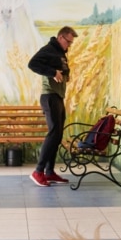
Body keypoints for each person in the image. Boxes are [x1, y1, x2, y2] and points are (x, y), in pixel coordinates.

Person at [27, 26, 78, 186]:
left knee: (57, 135)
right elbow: (32, 64)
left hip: (58, 96)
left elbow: (61, 68)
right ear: (61, 37)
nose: (69, 45)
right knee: (53, 133)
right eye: (68, 42)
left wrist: (65, 75)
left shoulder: (59, 52)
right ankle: (38, 171)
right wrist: (52, 72)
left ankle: (49, 172)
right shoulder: (49, 49)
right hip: (49, 96)